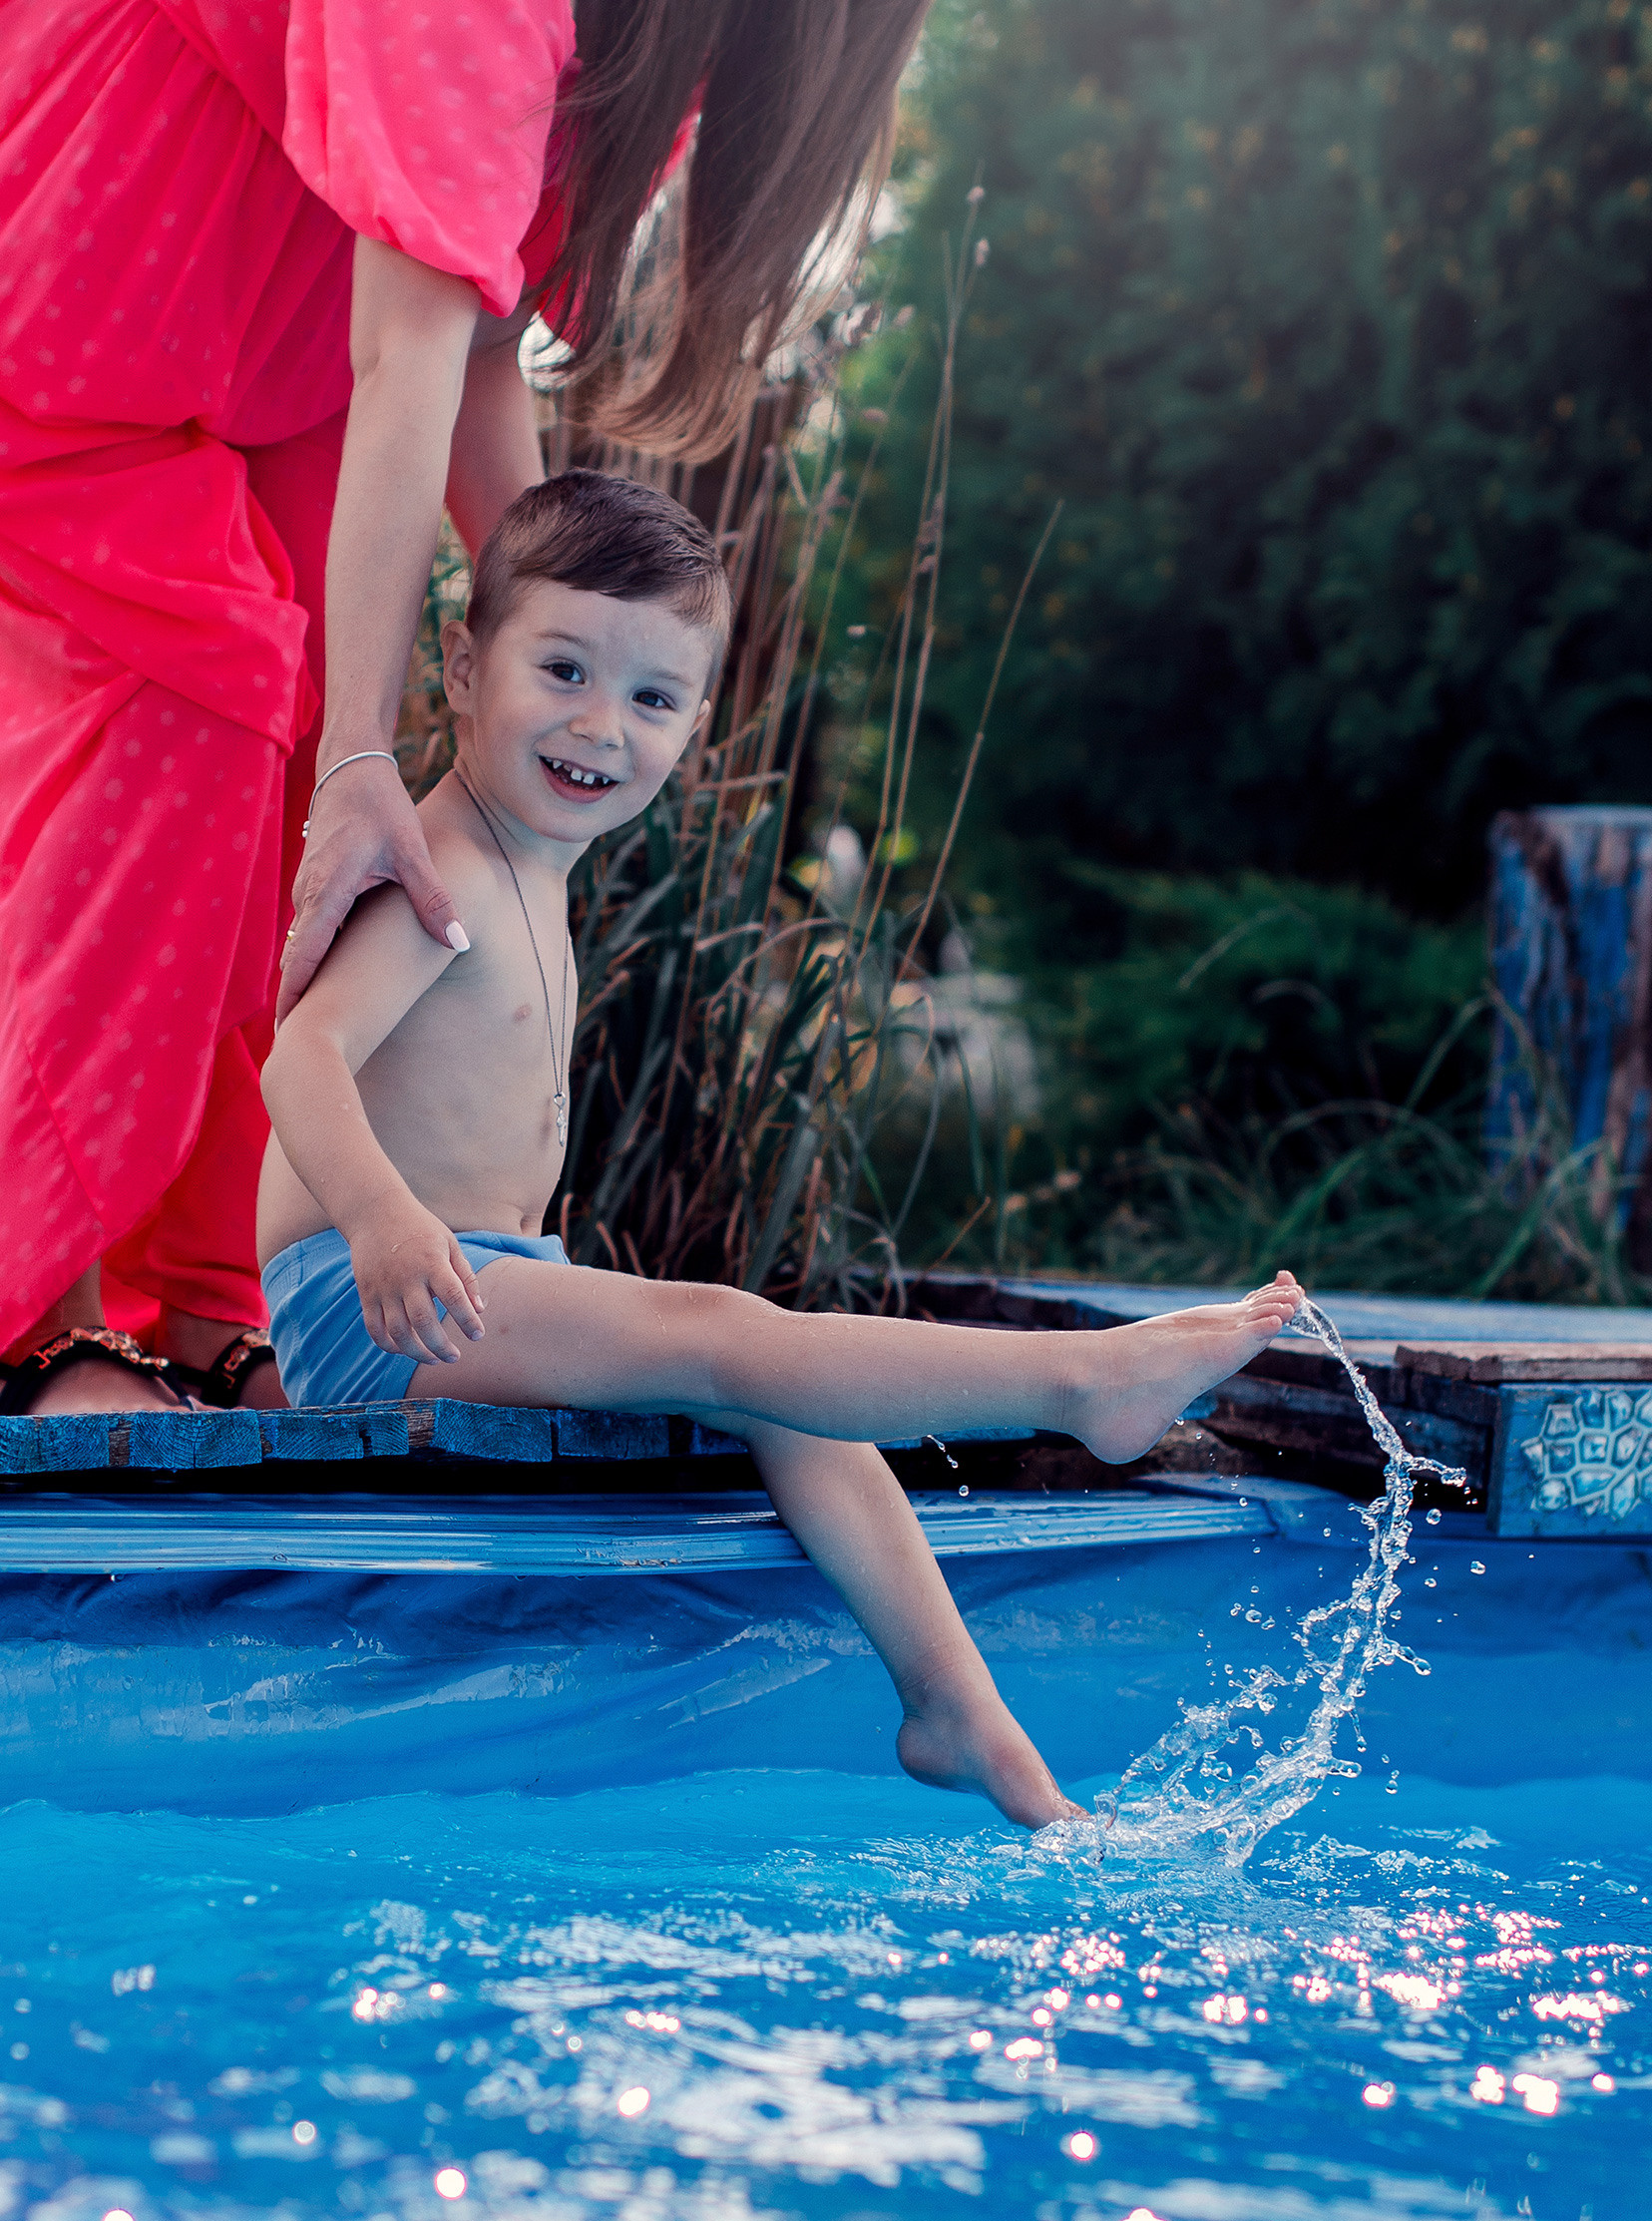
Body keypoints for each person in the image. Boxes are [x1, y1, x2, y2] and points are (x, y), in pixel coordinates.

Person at [256, 469, 1305, 1829]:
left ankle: (961, 1714)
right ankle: (1087, 1381)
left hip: (475, 1277)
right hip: (377, 1293)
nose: (599, 726)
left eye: (650, 698)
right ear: (462, 668)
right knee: (727, 1329)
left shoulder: (534, 864)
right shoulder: (444, 866)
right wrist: (391, 1223)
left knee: (796, 1398)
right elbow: (303, 1058)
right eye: (562, 669)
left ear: (695, 723)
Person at [0, 0, 930, 1416]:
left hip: (279, 348)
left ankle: (196, 1308)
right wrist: (375, 753)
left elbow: (479, 344)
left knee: (312, 791)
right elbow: (412, 359)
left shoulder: (640, 44)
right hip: (76, 298)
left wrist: (580, 674)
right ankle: (41, 1323)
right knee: (200, 715)